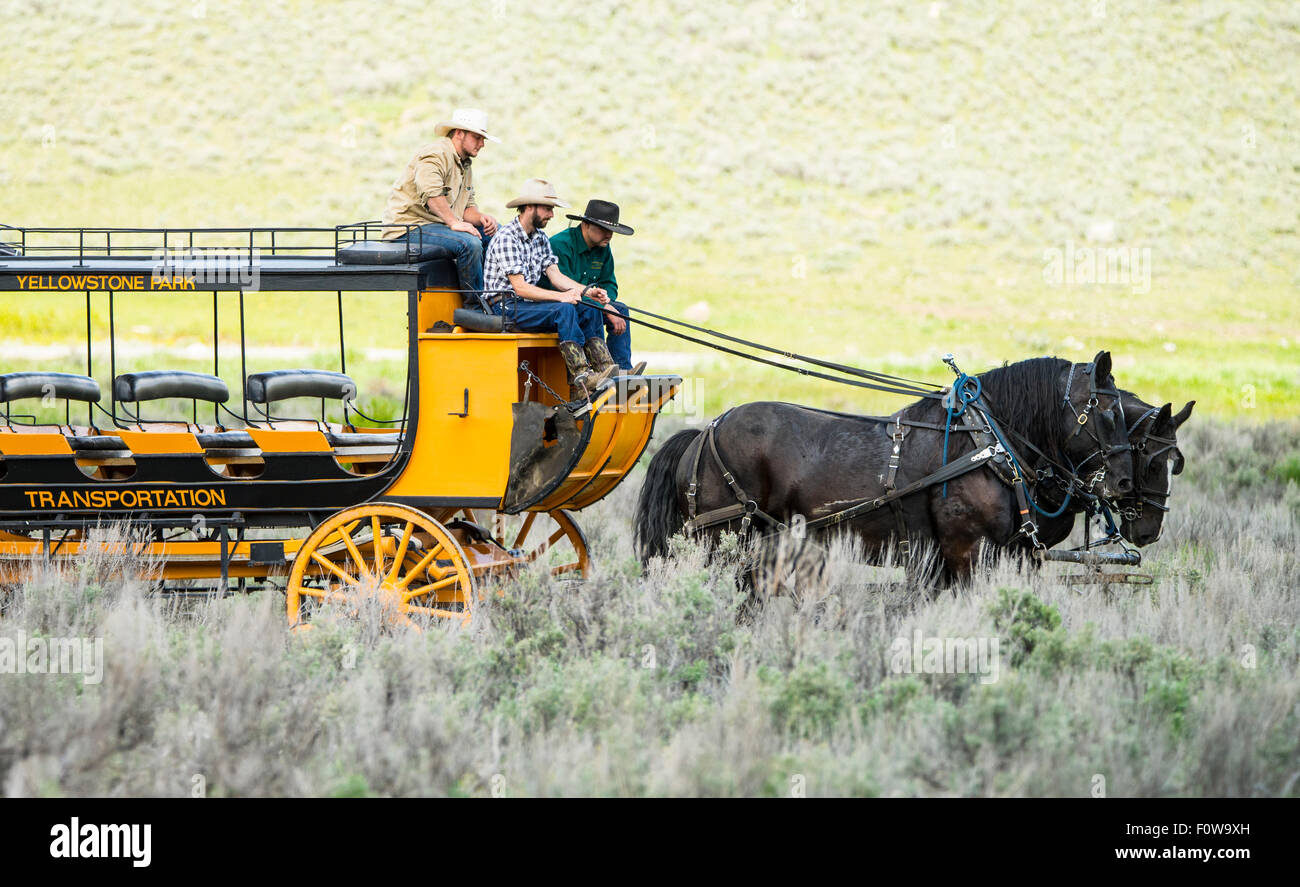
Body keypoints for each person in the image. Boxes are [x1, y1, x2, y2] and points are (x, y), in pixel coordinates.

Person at [482, 179, 620, 398]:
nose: (552, 215)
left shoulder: (540, 239)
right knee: (563, 309)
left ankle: (605, 369)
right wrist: (562, 298)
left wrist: (585, 292)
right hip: (505, 307)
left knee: (589, 307)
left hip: (526, 305)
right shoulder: (507, 238)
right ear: (529, 207)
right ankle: (581, 379)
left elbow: (555, 275)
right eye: (547, 209)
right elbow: (520, 288)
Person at [380, 108, 500, 302]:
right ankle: (476, 307)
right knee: (469, 243)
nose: (482, 144)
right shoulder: (436, 153)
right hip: (408, 228)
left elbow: (466, 206)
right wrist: (454, 222)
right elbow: (431, 193)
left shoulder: (465, 163)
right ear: (459, 133)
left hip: (436, 225)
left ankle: (496, 296)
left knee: (496, 234)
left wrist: (481, 219)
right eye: (478, 137)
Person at [546, 199, 645, 374]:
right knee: (592, 310)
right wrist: (603, 306)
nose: (610, 235)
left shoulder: (603, 247)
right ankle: (600, 370)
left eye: (612, 231)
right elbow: (563, 289)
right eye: (604, 229)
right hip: (558, 304)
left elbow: (609, 283)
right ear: (585, 225)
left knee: (620, 309)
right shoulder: (561, 244)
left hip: (588, 303)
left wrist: (607, 300)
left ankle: (622, 368)